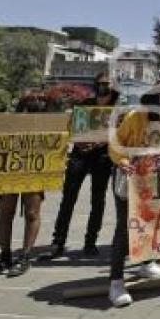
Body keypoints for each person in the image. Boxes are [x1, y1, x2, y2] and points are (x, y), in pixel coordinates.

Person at [107, 84, 160, 307]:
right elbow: (115, 145)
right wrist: (122, 161)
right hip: (130, 180)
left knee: (152, 223)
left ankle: (146, 261)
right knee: (125, 228)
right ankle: (116, 281)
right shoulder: (136, 117)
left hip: (156, 182)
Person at [45, 71, 119, 259]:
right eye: (101, 83)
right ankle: (58, 242)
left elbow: (119, 134)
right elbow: (73, 128)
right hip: (80, 155)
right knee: (68, 198)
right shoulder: (85, 105)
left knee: (98, 200)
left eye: (107, 84)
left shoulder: (118, 109)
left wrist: (102, 141)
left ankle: (90, 242)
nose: (104, 87)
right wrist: (79, 142)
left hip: (103, 157)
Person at [0, 95, 48, 277]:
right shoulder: (8, 127)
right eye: (26, 111)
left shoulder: (46, 129)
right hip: (8, 171)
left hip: (34, 171)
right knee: (6, 212)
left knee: (32, 213)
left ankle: (25, 256)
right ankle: (5, 256)